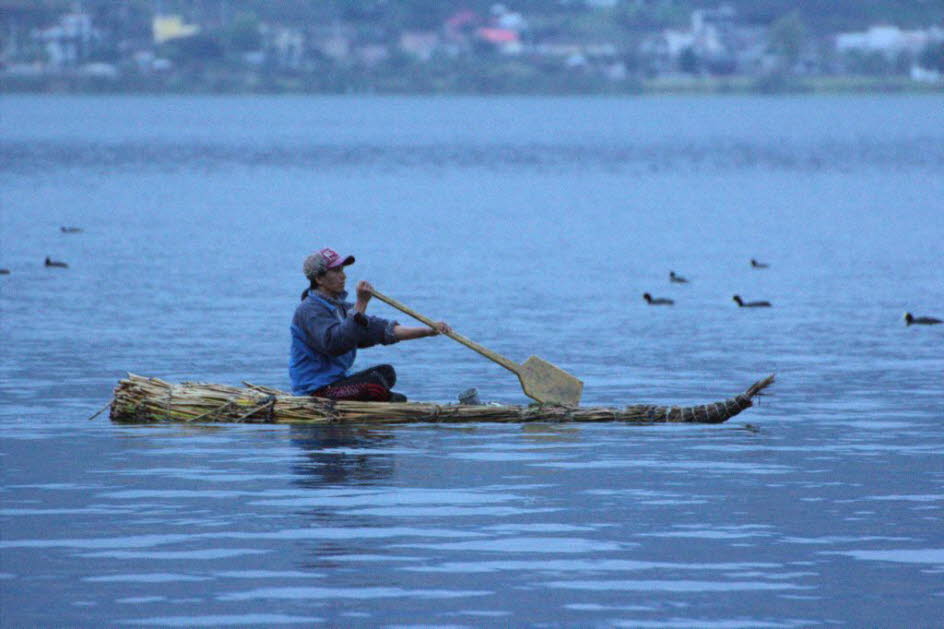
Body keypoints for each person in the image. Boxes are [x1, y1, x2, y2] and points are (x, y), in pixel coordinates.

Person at [290, 247, 450, 402]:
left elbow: (379, 330)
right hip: (317, 392)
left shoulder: (342, 308)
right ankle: (388, 401)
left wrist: (428, 330)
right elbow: (336, 344)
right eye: (336, 271)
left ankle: (383, 399)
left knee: (386, 373)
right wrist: (361, 303)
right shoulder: (309, 310)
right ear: (319, 279)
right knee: (373, 386)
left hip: (338, 384)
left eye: (342, 270)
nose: (343, 276)